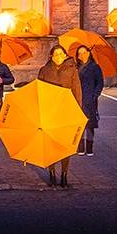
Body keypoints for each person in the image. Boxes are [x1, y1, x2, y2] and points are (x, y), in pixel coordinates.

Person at [37, 45, 82, 188]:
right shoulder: (44, 70)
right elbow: (39, 90)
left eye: (61, 54)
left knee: (64, 145)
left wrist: (77, 111)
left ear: (65, 55)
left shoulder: (72, 70)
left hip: (66, 112)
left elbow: (77, 91)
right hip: (49, 113)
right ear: (51, 56)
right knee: (50, 145)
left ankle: (64, 175)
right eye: (55, 54)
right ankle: (51, 173)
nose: (58, 57)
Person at [75, 45, 104, 156]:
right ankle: (80, 147)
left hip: (90, 100)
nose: (82, 55)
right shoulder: (75, 67)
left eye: (84, 52)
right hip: (78, 99)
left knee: (90, 125)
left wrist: (94, 95)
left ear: (88, 53)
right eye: (79, 53)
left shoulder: (95, 67)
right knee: (79, 124)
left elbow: (100, 83)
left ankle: (89, 147)